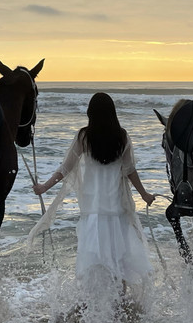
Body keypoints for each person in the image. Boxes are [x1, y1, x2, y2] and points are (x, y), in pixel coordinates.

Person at [29, 92, 156, 295]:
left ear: (90, 113)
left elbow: (66, 168)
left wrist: (45, 186)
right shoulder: (121, 136)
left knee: (93, 261)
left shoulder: (84, 136)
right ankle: (119, 303)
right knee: (119, 259)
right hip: (117, 209)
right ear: (113, 113)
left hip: (93, 210)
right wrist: (144, 195)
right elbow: (130, 170)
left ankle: (93, 308)